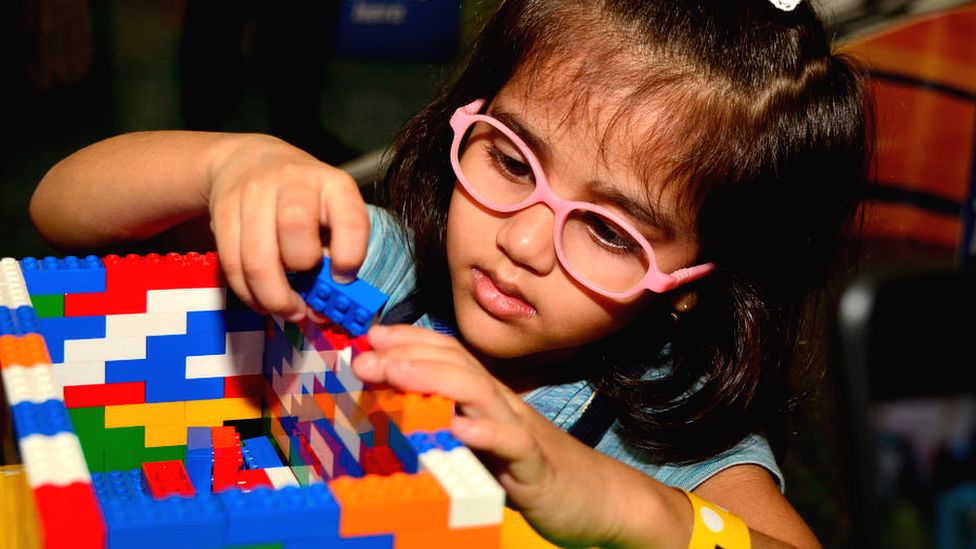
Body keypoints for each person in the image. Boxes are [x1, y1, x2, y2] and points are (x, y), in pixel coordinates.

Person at [29, 0, 869, 546]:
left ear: (691, 283)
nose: (526, 243)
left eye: (610, 233)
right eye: (509, 160)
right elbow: (57, 206)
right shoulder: (382, 266)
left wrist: (616, 501)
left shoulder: (674, 439)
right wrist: (231, 162)